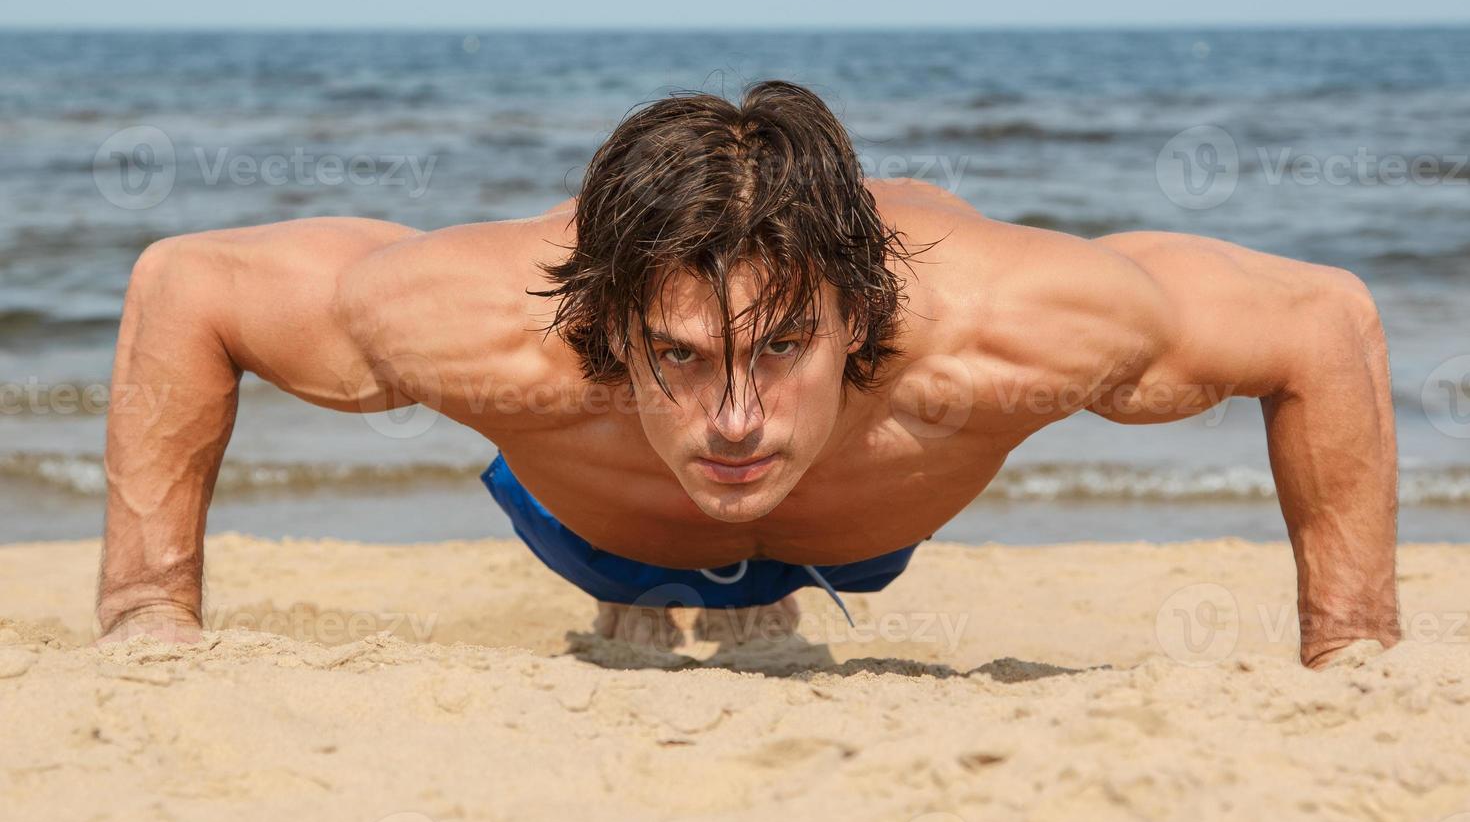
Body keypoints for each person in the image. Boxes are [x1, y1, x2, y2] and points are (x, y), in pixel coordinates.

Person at [95, 81, 1401, 666]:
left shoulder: (1009, 326)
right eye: (677, 356)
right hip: (587, 517)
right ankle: (634, 597)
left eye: (781, 350)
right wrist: (149, 618)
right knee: (630, 585)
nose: (733, 418)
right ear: (607, 332)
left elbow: (1318, 324)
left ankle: (743, 594)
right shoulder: (482, 327)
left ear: (863, 318)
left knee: (764, 584)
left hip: (862, 532)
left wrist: (1347, 649)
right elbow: (186, 286)